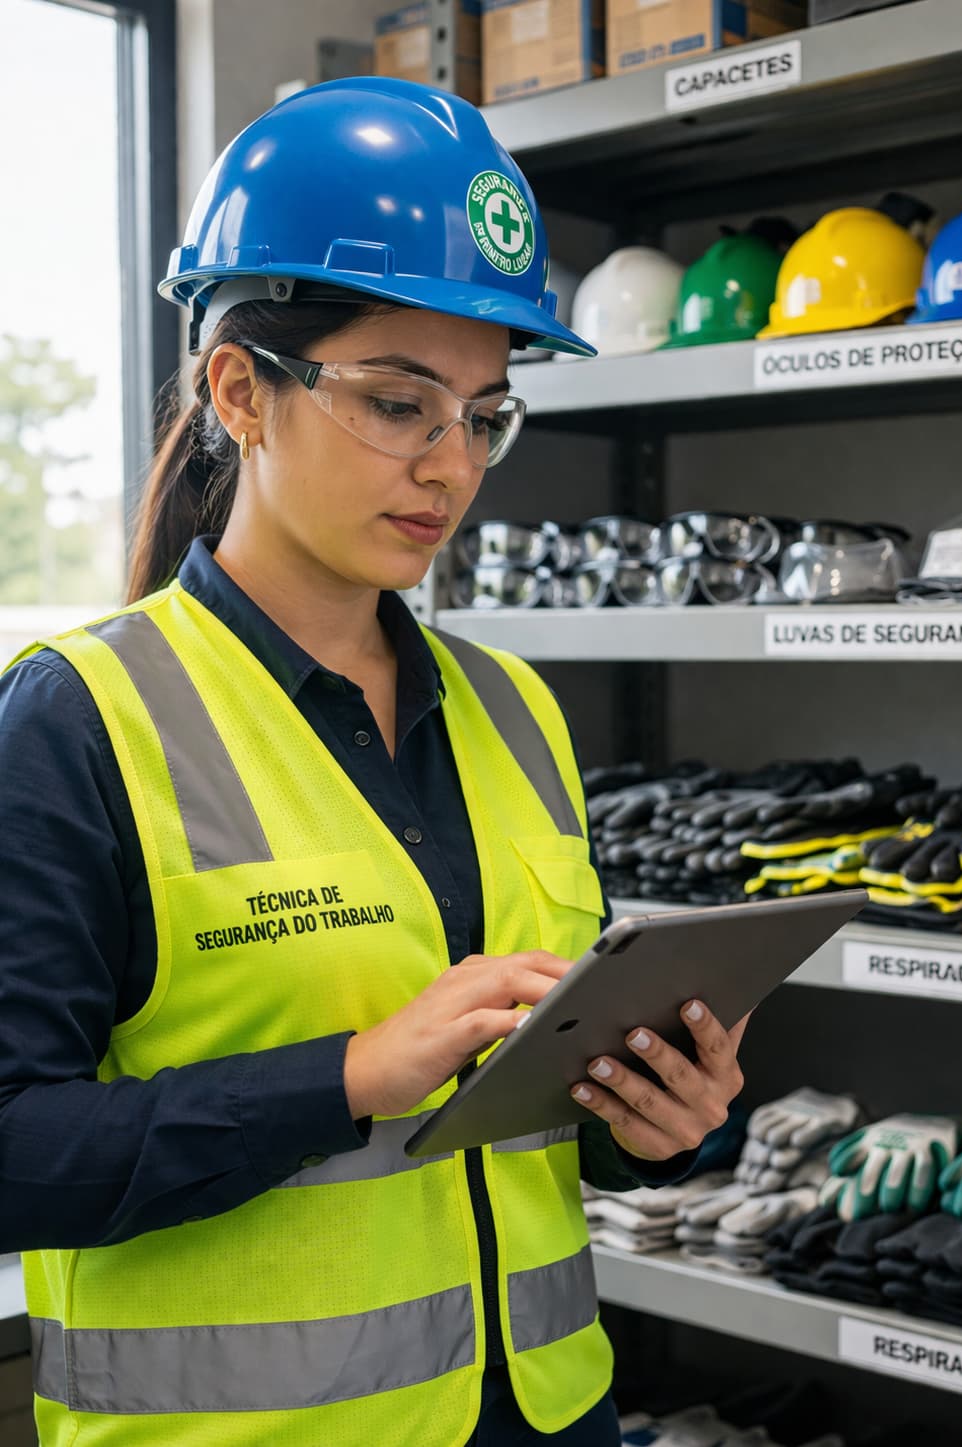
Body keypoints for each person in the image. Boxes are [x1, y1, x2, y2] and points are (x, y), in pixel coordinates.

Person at [0, 78, 747, 1445]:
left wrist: (662, 1118)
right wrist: (339, 1078)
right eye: (400, 403)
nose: (451, 467)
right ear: (240, 390)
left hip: (545, 1418)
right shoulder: (76, 722)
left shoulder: (514, 709)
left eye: (483, 414)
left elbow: (531, 1120)